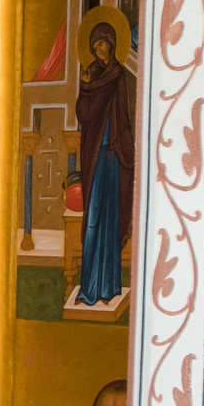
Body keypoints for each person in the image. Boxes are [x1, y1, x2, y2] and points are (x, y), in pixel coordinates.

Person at [70, 21, 135, 307]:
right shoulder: (92, 75)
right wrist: (85, 87)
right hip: (96, 154)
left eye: (103, 44)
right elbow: (84, 114)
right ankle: (89, 289)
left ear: (111, 44)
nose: (99, 50)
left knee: (110, 220)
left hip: (113, 154)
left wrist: (126, 148)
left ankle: (108, 288)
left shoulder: (117, 74)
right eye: (95, 46)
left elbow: (122, 113)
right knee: (94, 218)